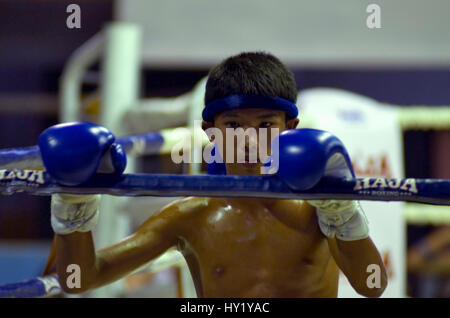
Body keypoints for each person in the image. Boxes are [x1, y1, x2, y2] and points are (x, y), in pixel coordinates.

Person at [51, 52, 387, 297]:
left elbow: (372, 285)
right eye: (234, 125)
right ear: (211, 132)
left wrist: (342, 211)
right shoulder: (191, 216)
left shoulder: (316, 206)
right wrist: (73, 206)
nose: (250, 138)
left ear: (291, 128)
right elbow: (80, 280)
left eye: (266, 124)